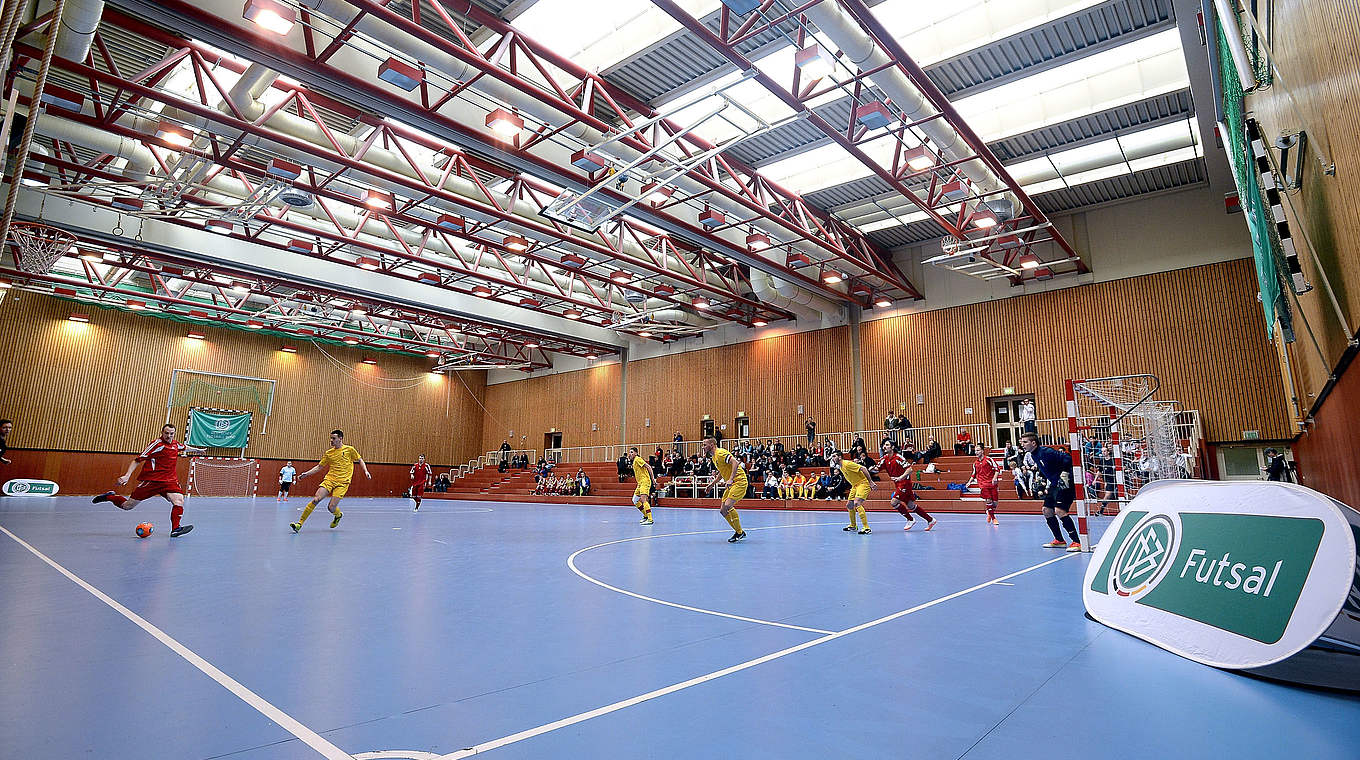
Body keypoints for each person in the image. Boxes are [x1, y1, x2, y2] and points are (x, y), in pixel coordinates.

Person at [93, 423, 205, 537]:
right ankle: (109, 496)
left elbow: (184, 447)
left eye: (171, 434)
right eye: (166, 433)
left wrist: (197, 450)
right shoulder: (156, 444)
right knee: (127, 506)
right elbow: (137, 460)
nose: (169, 436)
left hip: (169, 481)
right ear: (162, 433)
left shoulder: (175, 444)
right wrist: (127, 475)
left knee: (179, 501)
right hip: (152, 481)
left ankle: (176, 529)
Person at [289, 429, 371, 533]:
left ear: (340, 439)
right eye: (331, 438)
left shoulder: (350, 450)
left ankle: (338, 515)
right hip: (330, 480)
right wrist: (306, 474)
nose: (331, 440)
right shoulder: (329, 453)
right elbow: (319, 467)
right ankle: (299, 524)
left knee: (331, 507)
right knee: (316, 499)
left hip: (343, 483)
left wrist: (366, 471)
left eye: (334, 438)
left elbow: (360, 460)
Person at [1020, 431, 1081, 551]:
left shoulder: (1046, 452)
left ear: (1034, 443)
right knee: (1047, 510)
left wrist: (1064, 473)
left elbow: (1068, 458)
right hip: (1054, 484)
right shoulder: (1033, 455)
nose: (1023, 444)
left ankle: (1077, 541)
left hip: (1065, 483)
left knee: (1059, 511)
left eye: (1025, 442)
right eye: (1022, 442)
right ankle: (1059, 540)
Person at [876, 440, 935, 531]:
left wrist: (900, 477)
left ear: (892, 447)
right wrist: (868, 469)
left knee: (894, 502)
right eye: (884, 445)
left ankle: (910, 519)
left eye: (887, 445)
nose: (884, 446)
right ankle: (930, 520)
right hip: (898, 484)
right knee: (911, 505)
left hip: (904, 483)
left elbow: (910, 469)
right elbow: (877, 469)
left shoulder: (898, 458)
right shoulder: (884, 459)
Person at [702, 435, 748, 542]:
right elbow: (721, 473)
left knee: (727, 505)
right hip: (731, 484)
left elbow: (735, 462)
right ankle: (739, 532)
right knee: (723, 511)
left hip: (739, 481)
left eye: (705, 445)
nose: (703, 447)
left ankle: (739, 532)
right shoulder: (713, 457)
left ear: (711, 445)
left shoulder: (721, 453)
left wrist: (731, 479)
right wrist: (712, 484)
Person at [831, 450, 875, 534]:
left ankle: (866, 528)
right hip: (855, 485)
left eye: (834, 456)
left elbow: (863, 468)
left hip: (863, 483)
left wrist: (870, 482)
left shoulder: (847, 464)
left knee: (857, 503)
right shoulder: (840, 466)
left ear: (839, 457)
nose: (832, 458)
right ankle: (853, 525)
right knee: (849, 505)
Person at [970, 446, 1002, 525]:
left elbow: (997, 469)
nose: (976, 452)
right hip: (983, 484)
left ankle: (989, 512)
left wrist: (994, 478)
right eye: (975, 451)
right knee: (988, 500)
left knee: (995, 503)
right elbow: (974, 474)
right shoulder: (975, 464)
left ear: (982, 451)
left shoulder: (989, 460)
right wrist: (969, 482)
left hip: (992, 483)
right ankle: (993, 518)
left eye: (978, 450)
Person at [628, 446, 655, 525]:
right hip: (640, 483)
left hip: (645, 482)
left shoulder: (638, 459)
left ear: (636, 453)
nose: (630, 454)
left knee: (643, 500)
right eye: (630, 452)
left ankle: (650, 519)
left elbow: (649, 467)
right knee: (635, 500)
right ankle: (646, 515)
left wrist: (653, 479)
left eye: (632, 452)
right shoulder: (634, 461)